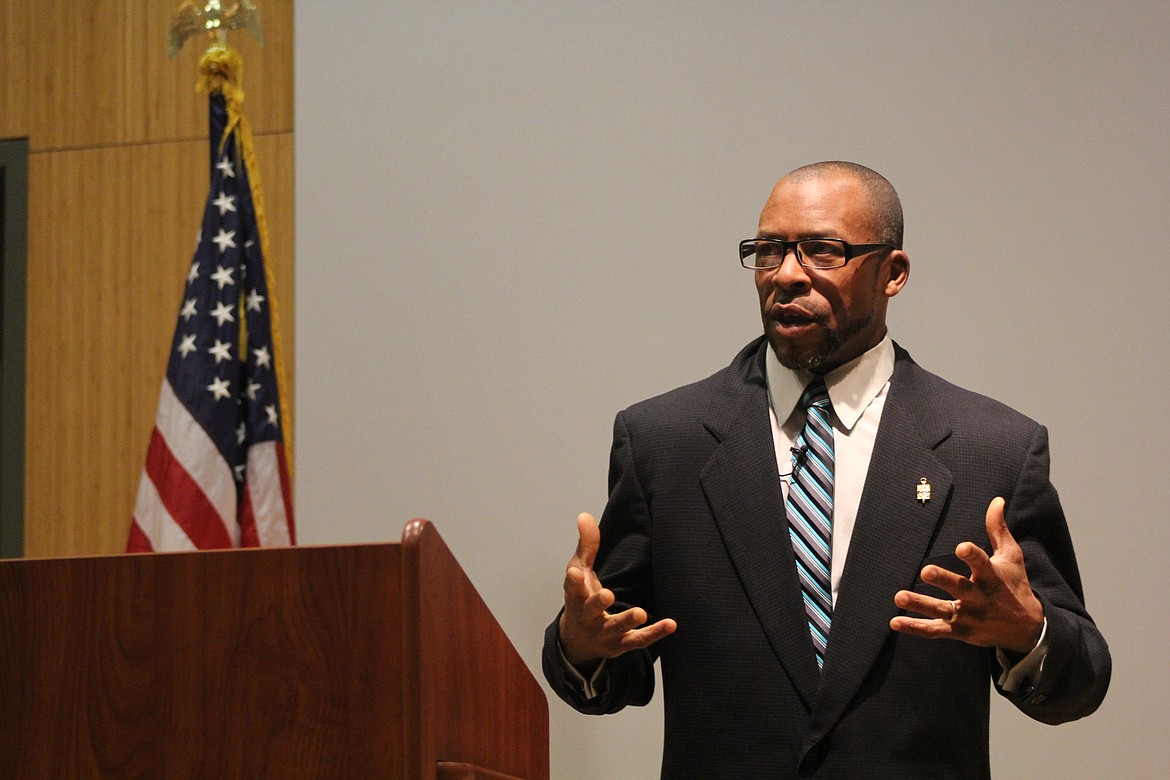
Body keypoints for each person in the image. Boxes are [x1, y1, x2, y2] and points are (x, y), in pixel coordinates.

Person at [542, 162, 1110, 778]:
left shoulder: (992, 449)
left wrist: (1028, 633)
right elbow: (611, 660)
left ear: (893, 273)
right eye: (768, 251)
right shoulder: (664, 442)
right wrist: (580, 645)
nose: (786, 275)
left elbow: (1081, 683)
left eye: (821, 251)